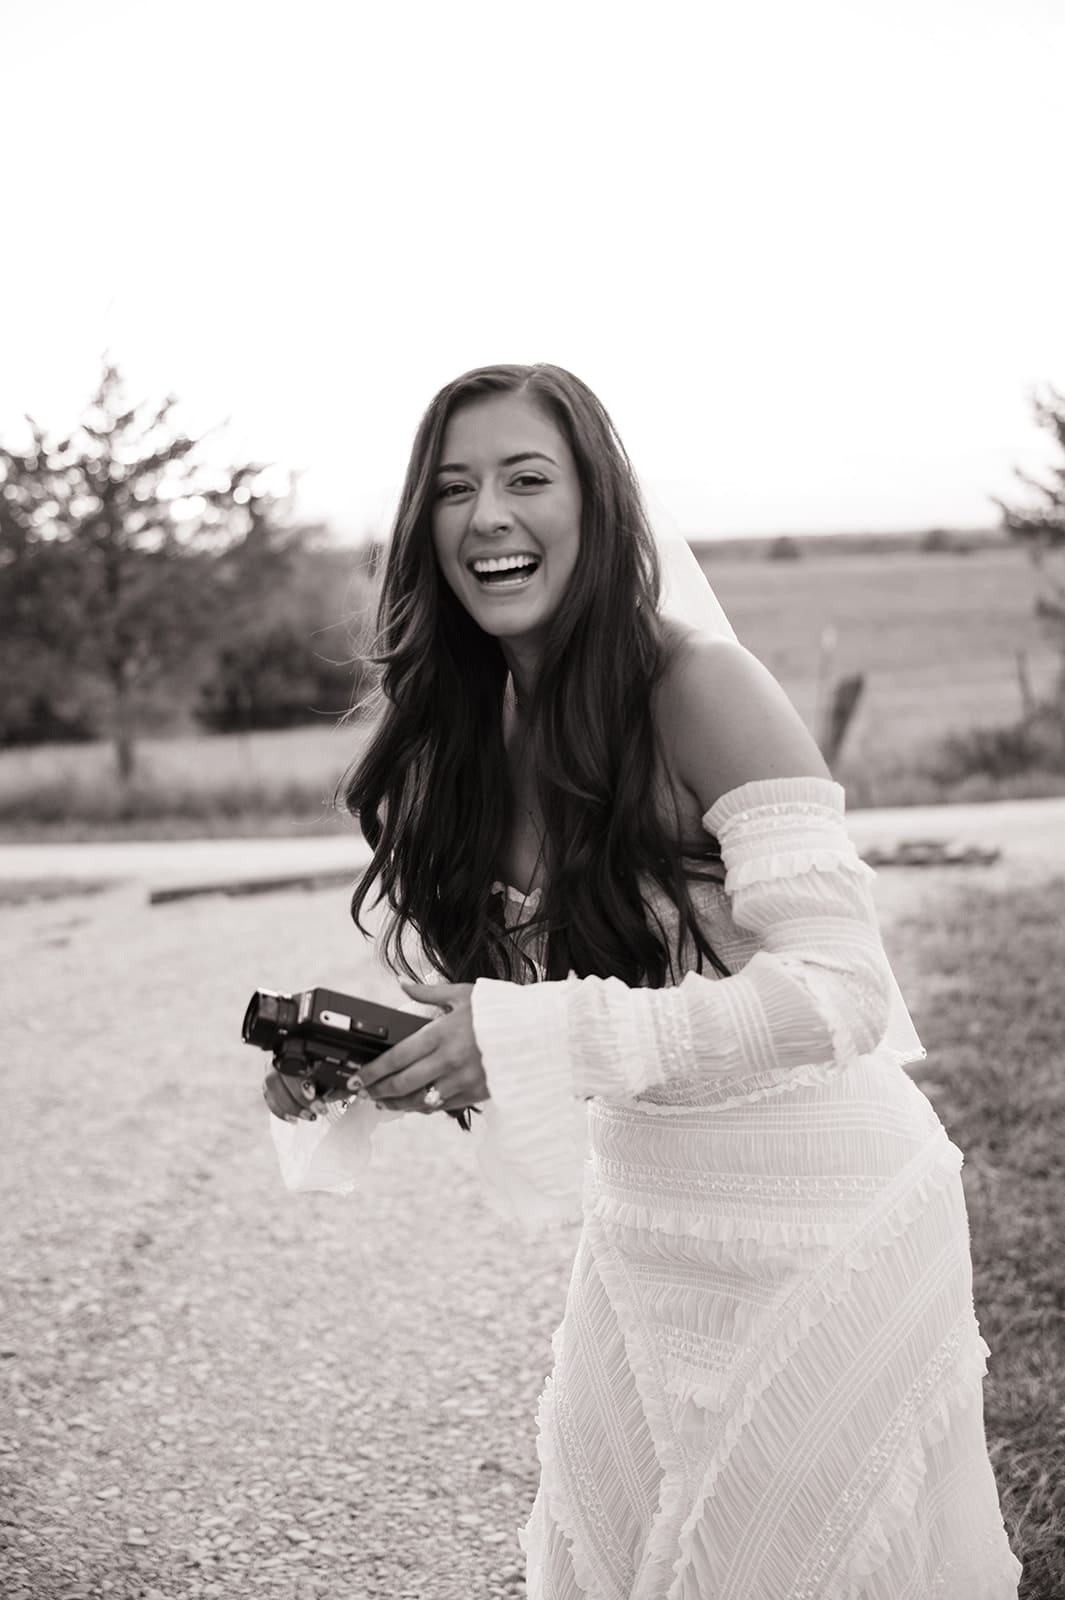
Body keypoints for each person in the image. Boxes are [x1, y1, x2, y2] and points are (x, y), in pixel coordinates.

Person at [263, 364, 1022, 1598]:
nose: (487, 515)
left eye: (525, 478)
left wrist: (548, 1031)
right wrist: (392, 1060)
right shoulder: (465, 727)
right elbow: (555, 1017)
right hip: (644, 1230)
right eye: (453, 489)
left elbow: (842, 995)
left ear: (598, 502)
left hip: (828, 1212)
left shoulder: (699, 688)